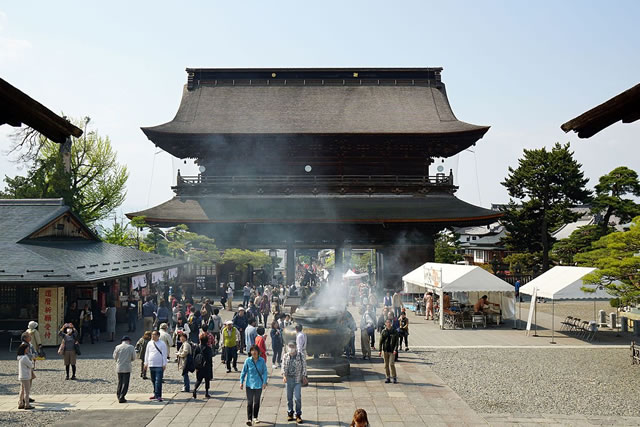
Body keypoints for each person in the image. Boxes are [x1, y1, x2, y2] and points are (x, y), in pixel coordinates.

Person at [240, 344, 268, 426]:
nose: (254, 352)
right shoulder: (248, 361)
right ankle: (249, 419)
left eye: (255, 350)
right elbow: (244, 372)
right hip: (249, 384)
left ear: (258, 352)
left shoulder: (262, 361)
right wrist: (241, 382)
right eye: (252, 350)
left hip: (259, 384)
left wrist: (264, 382)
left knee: (256, 402)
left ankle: (255, 417)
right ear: (250, 352)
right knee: (249, 402)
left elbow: (265, 372)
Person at [282, 341, 307, 424]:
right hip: (288, 379)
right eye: (289, 346)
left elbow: (304, 366)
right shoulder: (286, 356)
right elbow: (283, 366)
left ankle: (298, 414)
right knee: (289, 398)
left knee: (297, 398)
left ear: (296, 347)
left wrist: (304, 376)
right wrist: (284, 376)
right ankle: (290, 413)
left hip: (297, 379)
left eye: (292, 346)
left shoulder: (300, 356)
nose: (291, 348)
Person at [144, 330, 168, 402]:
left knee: (158, 380)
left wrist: (164, 364)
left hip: (159, 364)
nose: (153, 336)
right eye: (152, 335)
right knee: (153, 380)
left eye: (154, 335)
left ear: (158, 336)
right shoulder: (149, 343)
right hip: (151, 363)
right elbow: (147, 353)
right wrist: (146, 363)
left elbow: (164, 354)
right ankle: (155, 393)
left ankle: (158, 395)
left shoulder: (162, 343)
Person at [113, 336, 136, 403]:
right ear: (128, 341)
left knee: (120, 381)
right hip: (127, 366)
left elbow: (115, 356)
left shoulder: (118, 347)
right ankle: (122, 396)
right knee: (125, 382)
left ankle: (118, 394)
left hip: (119, 366)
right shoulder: (131, 347)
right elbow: (134, 357)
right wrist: (130, 360)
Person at [192, 332, 213, 399]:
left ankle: (195, 389)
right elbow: (210, 358)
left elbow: (194, 357)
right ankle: (206, 393)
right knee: (207, 380)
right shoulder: (208, 348)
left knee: (199, 380)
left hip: (199, 367)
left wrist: (195, 366)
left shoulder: (197, 348)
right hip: (206, 366)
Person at [379, 319, 399, 384]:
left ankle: (394, 377)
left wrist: (395, 349)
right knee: (386, 365)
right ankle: (388, 377)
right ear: (385, 323)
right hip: (385, 350)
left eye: (389, 322)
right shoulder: (383, 331)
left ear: (391, 323)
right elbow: (380, 341)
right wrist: (380, 350)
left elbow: (396, 342)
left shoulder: (394, 331)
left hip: (392, 350)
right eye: (387, 322)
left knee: (391, 364)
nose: (388, 324)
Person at [17, 343, 34, 410]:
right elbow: (31, 365)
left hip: (21, 376)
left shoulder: (20, 357)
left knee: (22, 390)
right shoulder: (25, 358)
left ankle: (20, 402)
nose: (28, 350)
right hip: (26, 376)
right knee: (27, 391)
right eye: (27, 349)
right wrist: (32, 361)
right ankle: (27, 404)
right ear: (24, 349)